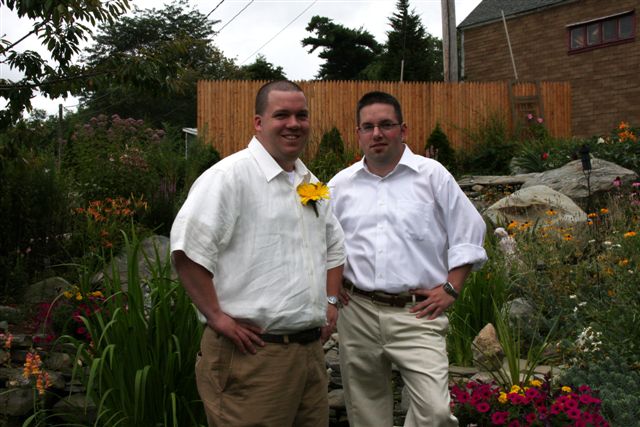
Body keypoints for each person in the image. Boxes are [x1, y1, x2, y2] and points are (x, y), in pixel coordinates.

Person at [170, 80, 345, 427]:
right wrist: (217, 317)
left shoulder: (309, 182)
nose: (294, 124)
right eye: (282, 115)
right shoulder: (229, 177)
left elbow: (335, 246)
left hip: (309, 356)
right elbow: (188, 251)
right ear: (258, 122)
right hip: (252, 357)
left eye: (301, 115)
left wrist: (330, 301)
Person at [328, 91, 487, 426]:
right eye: (368, 126)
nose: (377, 133)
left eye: (386, 125)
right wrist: (331, 284)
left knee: (435, 412)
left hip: (417, 313)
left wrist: (452, 288)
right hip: (357, 312)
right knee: (366, 414)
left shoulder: (432, 176)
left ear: (403, 130)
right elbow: (322, 241)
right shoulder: (341, 186)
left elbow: (469, 229)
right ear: (358, 133)